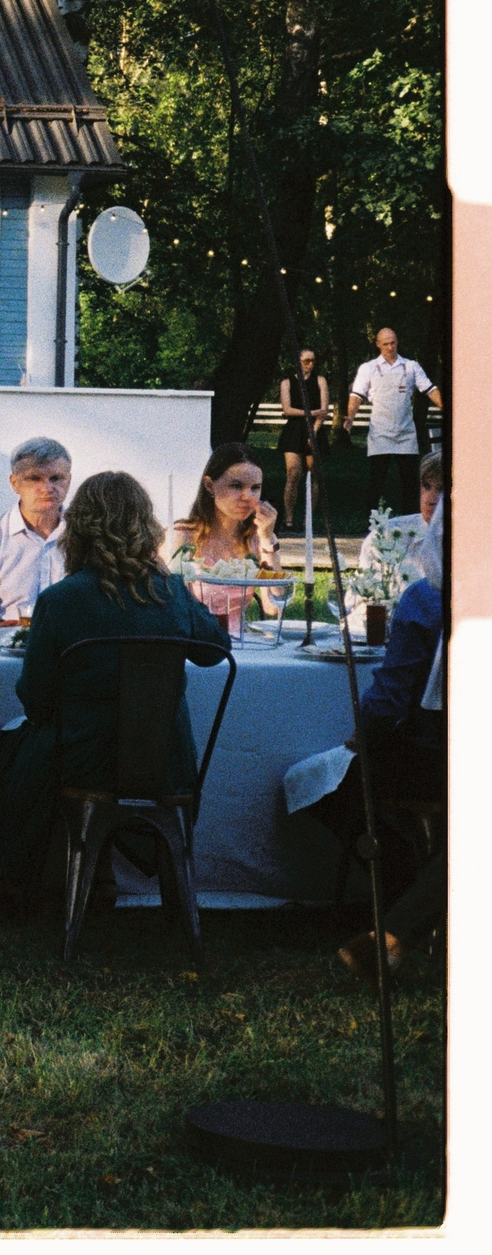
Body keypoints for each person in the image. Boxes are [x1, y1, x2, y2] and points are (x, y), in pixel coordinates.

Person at [0, 471, 229, 899]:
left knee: (12, 747)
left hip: (85, 762)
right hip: (165, 763)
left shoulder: (62, 600)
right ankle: (102, 875)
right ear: (145, 527)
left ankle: (18, 881)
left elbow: (36, 699)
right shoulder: (168, 592)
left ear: (79, 527)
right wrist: (166, 577)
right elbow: (214, 651)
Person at [327, 500, 447, 977]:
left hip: (432, 756)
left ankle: (396, 914)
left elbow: (389, 702)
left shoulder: (426, 597)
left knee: (324, 783)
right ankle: (408, 910)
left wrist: (361, 734)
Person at [162, 443, 286, 629]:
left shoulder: (259, 539)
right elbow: (166, 603)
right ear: (210, 486)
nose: (248, 496)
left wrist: (267, 540)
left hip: (242, 642)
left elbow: (274, 606)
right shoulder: (182, 536)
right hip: (192, 641)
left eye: (255, 488)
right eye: (236, 486)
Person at [0, 437, 73, 624]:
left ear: (68, 480)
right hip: (5, 648)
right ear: (14, 483)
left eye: (56, 478)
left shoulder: (87, 537)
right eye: (34, 479)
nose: (47, 488)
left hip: (72, 646)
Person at [347, 327, 442, 516]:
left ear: (397, 342)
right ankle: (373, 523)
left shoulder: (411, 366)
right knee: (377, 480)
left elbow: (430, 390)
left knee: (409, 481)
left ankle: (411, 520)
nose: (390, 347)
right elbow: (356, 395)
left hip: (405, 432)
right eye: (385, 344)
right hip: (380, 432)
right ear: (378, 345)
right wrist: (350, 416)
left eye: (393, 343)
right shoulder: (369, 368)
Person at [275, 347, 332, 531]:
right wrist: (311, 412)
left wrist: (314, 431)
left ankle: (308, 518)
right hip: (294, 429)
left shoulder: (320, 381)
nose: (310, 364)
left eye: (313, 361)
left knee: (314, 472)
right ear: (298, 362)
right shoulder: (287, 382)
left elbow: (324, 410)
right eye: (307, 361)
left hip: (315, 427)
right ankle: (289, 518)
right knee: (293, 472)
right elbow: (287, 409)